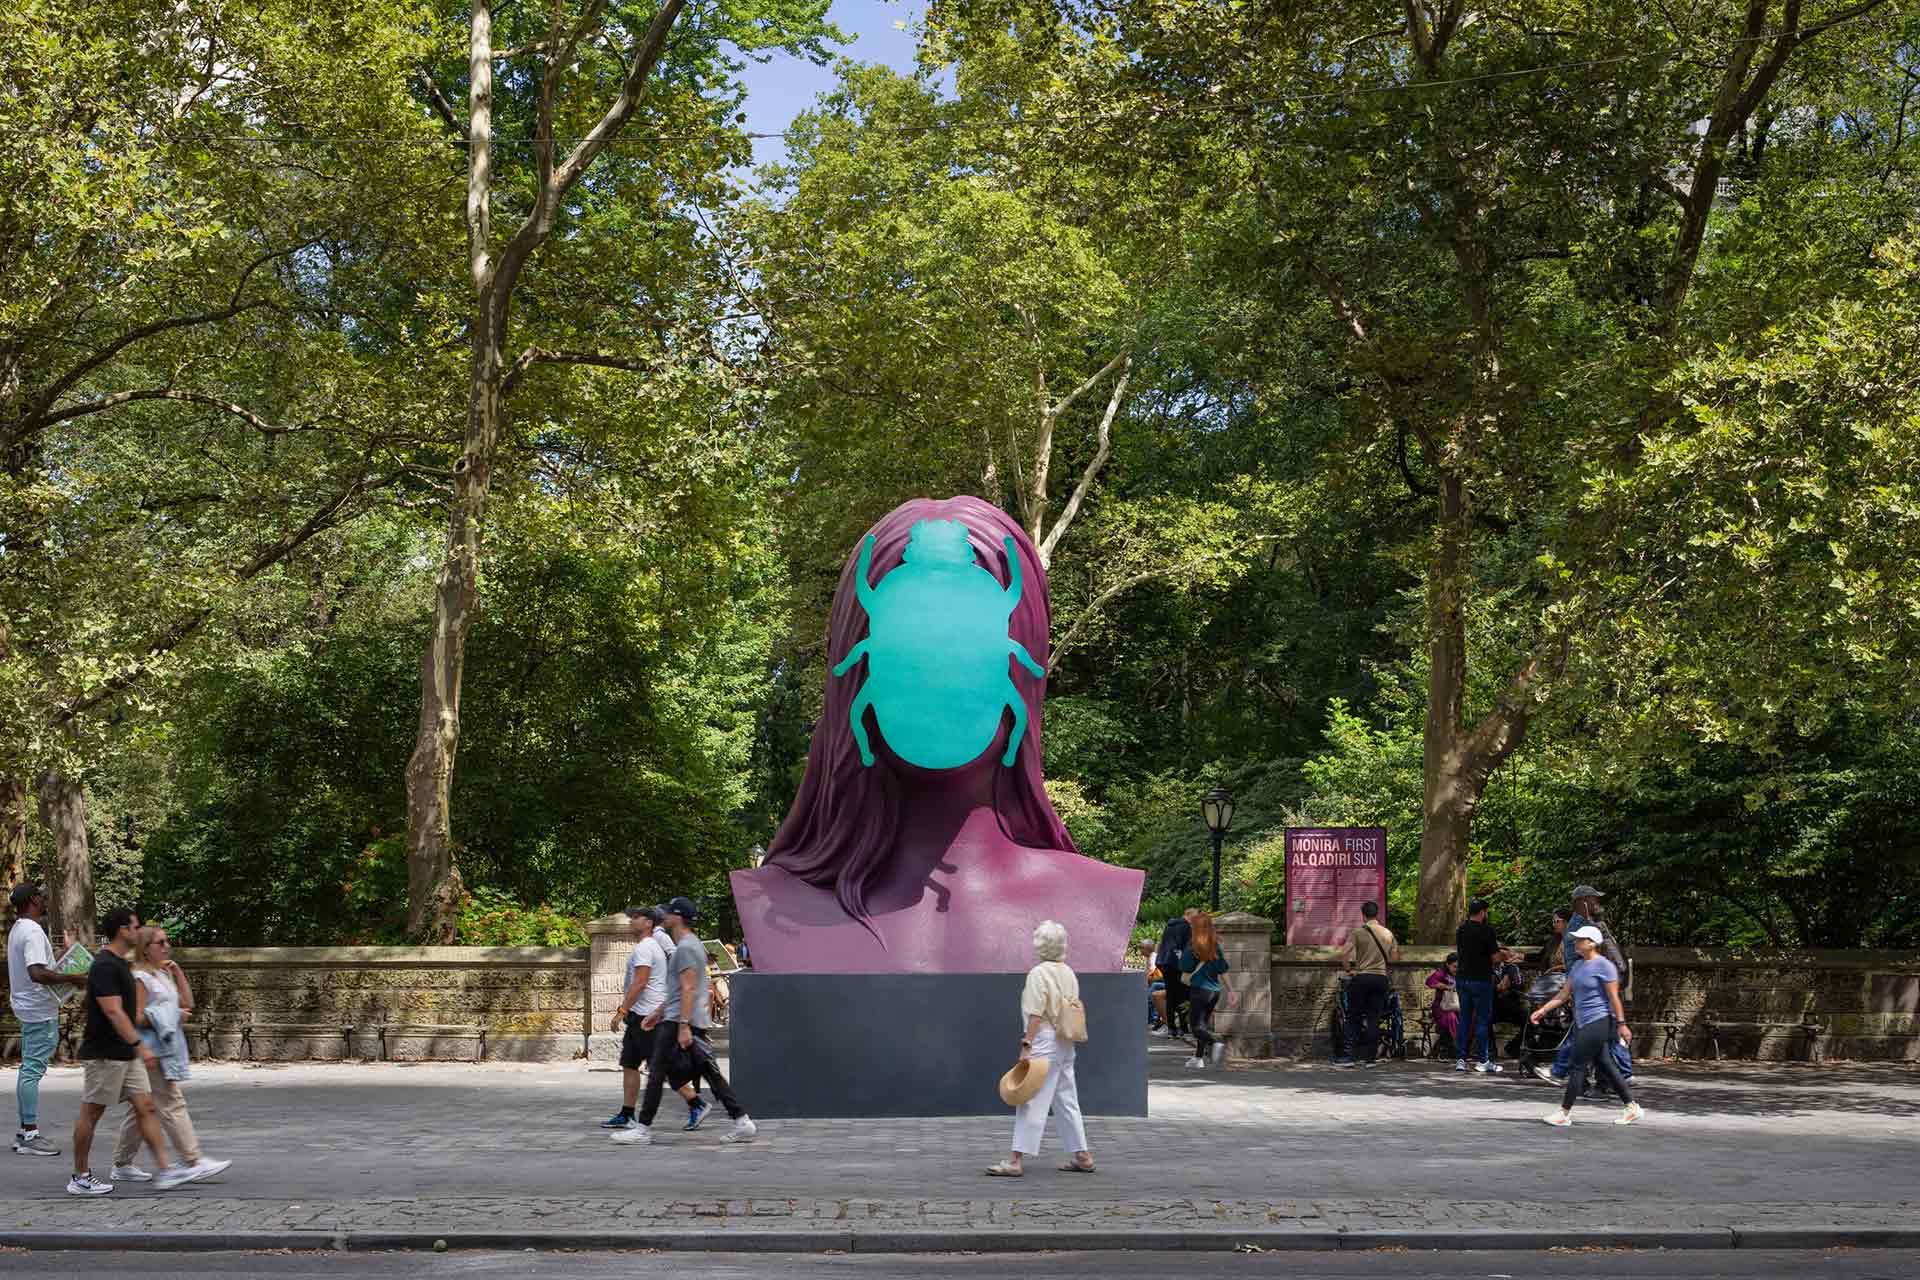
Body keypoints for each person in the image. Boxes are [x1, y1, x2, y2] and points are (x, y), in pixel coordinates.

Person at [731, 498, 1145, 974]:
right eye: (919, 636)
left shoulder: (1100, 903)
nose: (938, 668)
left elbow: (870, 594)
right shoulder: (769, 899)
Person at [68, 907, 201, 1195]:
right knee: (91, 1113)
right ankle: (80, 1175)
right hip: (104, 1053)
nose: (138, 931)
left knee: (147, 1107)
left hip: (125, 1053)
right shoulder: (105, 965)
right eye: (134, 926)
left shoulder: (120, 964)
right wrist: (141, 1045)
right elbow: (115, 1012)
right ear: (122, 931)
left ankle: (165, 1171)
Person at [611, 897, 755, 1146]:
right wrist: (659, 1011)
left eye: (667, 912)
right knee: (709, 1073)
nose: (663, 916)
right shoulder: (689, 945)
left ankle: (643, 1128)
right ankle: (742, 1121)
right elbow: (681, 988)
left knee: (657, 1073)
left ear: (677, 917)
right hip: (678, 1018)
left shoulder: (687, 947)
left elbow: (688, 988)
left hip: (680, 1022)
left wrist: (683, 1025)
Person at [107, 926, 231, 1185]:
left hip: (164, 1048)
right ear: (145, 948)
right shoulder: (140, 978)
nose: (166, 946)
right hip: (153, 1049)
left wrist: (177, 973)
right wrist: (170, 1016)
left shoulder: (161, 974)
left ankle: (121, 1163)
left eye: (167, 941)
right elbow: (137, 1016)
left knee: (141, 1109)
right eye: (160, 942)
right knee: (172, 1103)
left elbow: (188, 1003)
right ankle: (193, 1159)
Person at [986, 920, 1092, 1176]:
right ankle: (1082, 1155)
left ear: (1039, 945)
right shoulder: (1068, 971)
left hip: (1044, 1039)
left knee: (1030, 1097)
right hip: (1066, 1040)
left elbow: (1034, 1015)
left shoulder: (1038, 973)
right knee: (1067, 1098)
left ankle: (1015, 1161)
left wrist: (1026, 1045)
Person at [1530, 925, 1644, 1127]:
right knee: (1606, 1065)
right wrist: (1543, 1010)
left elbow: (1614, 998)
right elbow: (1564, 995)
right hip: (1582, 1022)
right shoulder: (1578, 967)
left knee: (1577, 1065)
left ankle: (1564, 1113)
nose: (1575, 942)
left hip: (1598, 1021)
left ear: (1591, 943)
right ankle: (1632, 1107)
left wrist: (1622, 1024)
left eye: (1579, 939)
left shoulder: (1605, 966)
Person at [602, 907, 704, 1131]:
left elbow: (640, 982)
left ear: (648, 923)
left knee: (662, 1067)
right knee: (629, 1064)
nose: (631, 922)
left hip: (646, 1017)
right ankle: (627, 1113)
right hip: (641, 1015)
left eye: (635, 918)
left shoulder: (646, 948)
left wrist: (622, 1011)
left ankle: (696, 1102)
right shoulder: (647, 946)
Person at [10, 882, 87, 1157]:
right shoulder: (31, 931)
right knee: (31, 1070)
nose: (45, 901)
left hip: (32, 1008)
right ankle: (29, 1134)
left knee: (31, 1068)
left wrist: (67, 957)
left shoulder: (20, 928)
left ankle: (25, 1131)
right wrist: (74, 978)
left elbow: (43, 968)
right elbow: (37, 973)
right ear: (33, 900)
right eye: (42, 897)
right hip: (37, 1011)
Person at [1537, 887, 1632, 1085]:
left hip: (1598, 994)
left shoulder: (1593, 924)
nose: (1598, 902)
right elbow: (1574, 964)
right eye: (1594, 898)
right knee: (1594, 1037)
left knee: (1591, 1036)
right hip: (1592, 993)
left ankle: (1572, 1073)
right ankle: (1615, 1076)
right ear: (1583, 901)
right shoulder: (1579, 928)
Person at [1334, 901, 1396, 1068]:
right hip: (1381, 979)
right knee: (1374, 1018)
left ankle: (1348, 1056)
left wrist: (1349, 970)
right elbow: (1395, 958)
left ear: (1363, 914)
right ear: (1377, 914)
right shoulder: (1388, 933)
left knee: (1353, 1016)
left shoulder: (1358, 933)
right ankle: (1370, 1059)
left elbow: (1344, 953)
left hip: (1362, 978)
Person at [1453, 899, 1509, 1073]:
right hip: (1481, 979)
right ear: (1483, 912)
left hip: (1462, 979)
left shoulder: (1461, 930)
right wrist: (1506, 955)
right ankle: (1483, 1060)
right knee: (1482, 1020)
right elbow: (1494, 958)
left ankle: (1461, 1059)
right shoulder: (1487, 931)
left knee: (1464, 1019)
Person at [1180, 911, 1231, 1070]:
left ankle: (1215, 1042)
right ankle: (1198, 1058)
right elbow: (1223, 970)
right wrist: (1231, 991)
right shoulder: (1215, 945)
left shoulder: (1192, 945)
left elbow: (1185, 967)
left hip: (1200, 990)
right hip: (1215, 991)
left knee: (1195, 1026)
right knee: (1203, 1024)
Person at [1152, 909, 1195, 1039]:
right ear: (1189, 916)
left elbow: (1162, 945)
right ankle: (1183, 1027)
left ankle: (1171, 1028)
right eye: (1194, 918)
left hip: (1165, 963)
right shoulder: (1186, 926)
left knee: (1171, 995)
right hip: (1177, 964)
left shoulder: (1170, 925)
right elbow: (1187, 947)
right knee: (1183, 995)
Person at [1425, 954, 1460, 1057]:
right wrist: (1446, 987)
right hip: (1441, 1007)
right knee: (1450, 1018)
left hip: (1458, 1006)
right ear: (1447, 964)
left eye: (1459, 967)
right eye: (1454, 966)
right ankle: (1454, 1047)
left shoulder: (1461, 974)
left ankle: (1455, 1047)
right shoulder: (1442, 973)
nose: (1456, 969)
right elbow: (1429, 981)